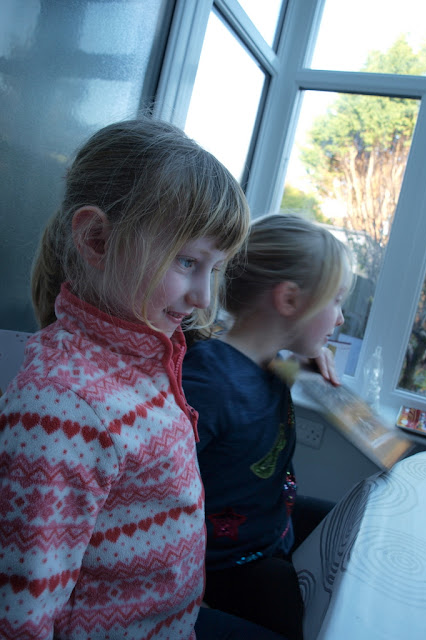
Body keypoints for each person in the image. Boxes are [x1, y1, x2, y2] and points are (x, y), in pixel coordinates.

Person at [0, 119, 286, 640]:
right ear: (97, 239)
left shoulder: (146, 357)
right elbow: (21, 614)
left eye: (214, 268)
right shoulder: (62, 408)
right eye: (187, 261)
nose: (203, 296)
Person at [182, 212, 354, 640]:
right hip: (227, 567)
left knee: (352, 529)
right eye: (335, 301)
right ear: (290, 300)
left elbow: (261, 382)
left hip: (271, 533)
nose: (340, 319)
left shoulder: (271, 363)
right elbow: (157, 488)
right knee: (321, 621)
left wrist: (302, 364)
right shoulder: (210, 382)